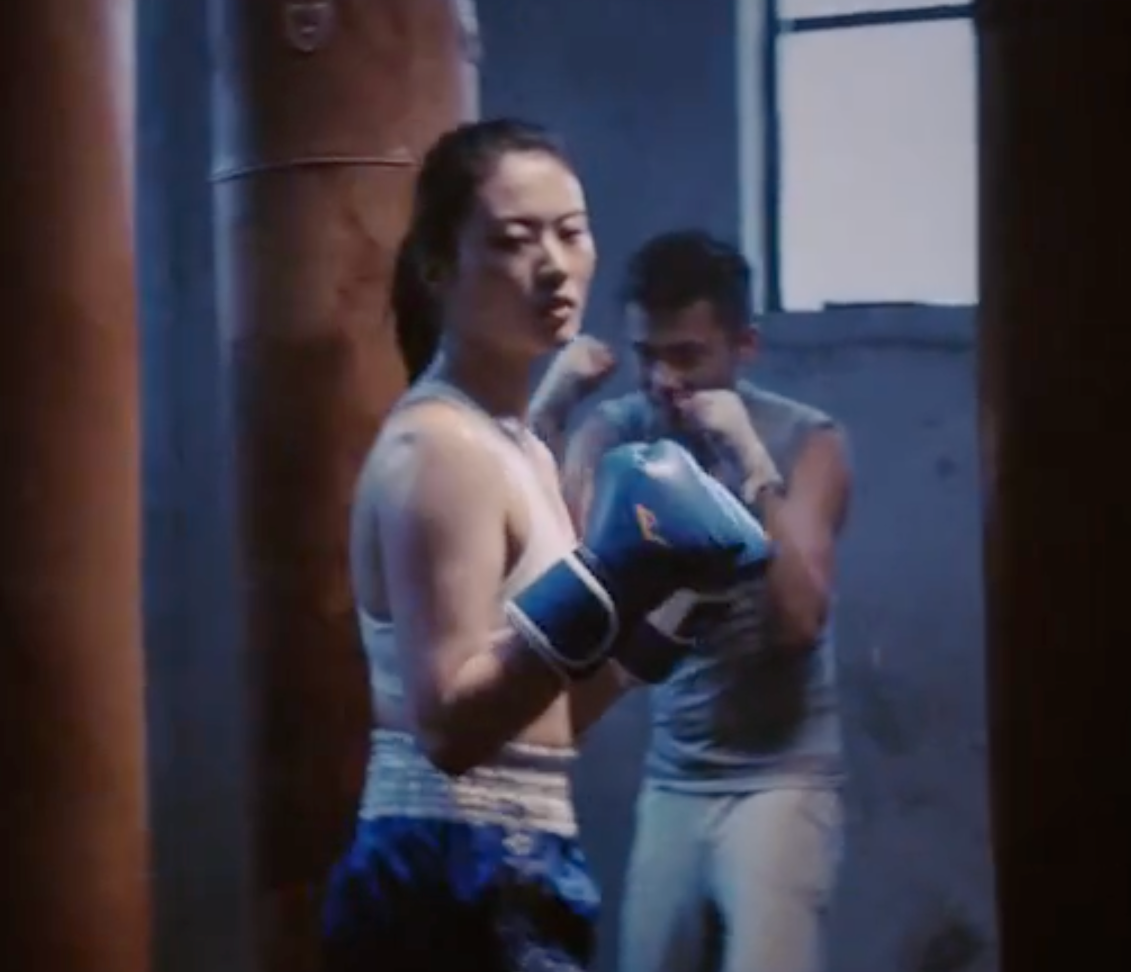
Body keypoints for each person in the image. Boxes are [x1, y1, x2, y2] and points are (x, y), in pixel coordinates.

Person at [317, 121, 774, 972]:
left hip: (520, 858)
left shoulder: (522, 450)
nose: (555, 265)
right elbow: (449, 728)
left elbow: (550, 719)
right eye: (514, 239)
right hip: (444, 865)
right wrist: (610, 576)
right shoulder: (440, 448)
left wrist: (662, 618)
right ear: (438, 268)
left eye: (571, 231)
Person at [537, 230, 855, 972]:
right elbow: (557, 588)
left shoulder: (807, 440)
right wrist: (550, 411)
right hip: (674, 775)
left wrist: (749, 461)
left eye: (687, 356)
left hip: (783, 779)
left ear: (745, 346)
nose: (664, 381)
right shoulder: (618, 431)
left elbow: (801, 620)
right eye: (647, 356)